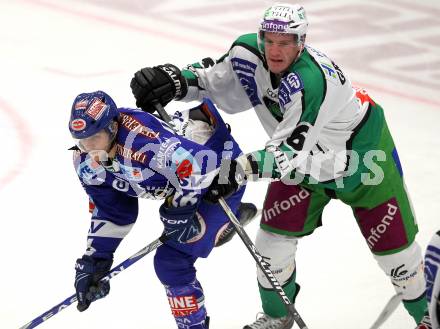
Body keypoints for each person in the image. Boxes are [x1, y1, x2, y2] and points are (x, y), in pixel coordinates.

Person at [130, 3, 429, 328]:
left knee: (398, 260)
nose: (275, 49)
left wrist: (236, 169)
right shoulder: (246, 53)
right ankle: (278, 318)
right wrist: (173, 80)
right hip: (304, 166)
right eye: (269, 40)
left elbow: (285, 155)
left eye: (285, 42)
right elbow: (211, 82)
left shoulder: (311, 82)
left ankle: (428, 316)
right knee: (270, 247)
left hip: (362, 157)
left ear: (301, 42)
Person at [69, 90, 257, 329]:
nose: (88, 148)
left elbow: (200, 165)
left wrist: (179, 212)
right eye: (82, 140)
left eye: (94, 138)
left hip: (220, 174)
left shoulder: (142, 139)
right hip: (185, 179)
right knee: (183, 237)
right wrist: (96, 259)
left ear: (113, 128)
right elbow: (113, 212)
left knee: (171, 262)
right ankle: (220, 224)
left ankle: (221, 220)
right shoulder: (85, 159)